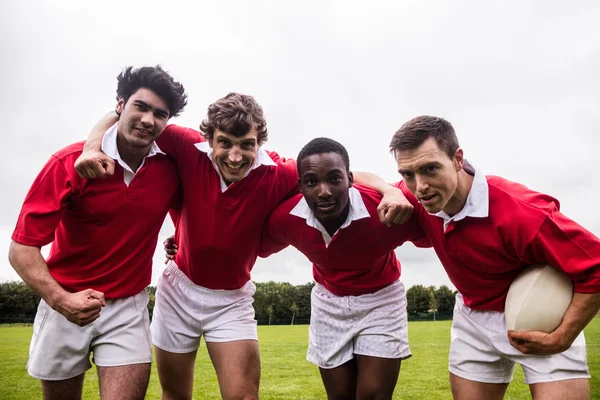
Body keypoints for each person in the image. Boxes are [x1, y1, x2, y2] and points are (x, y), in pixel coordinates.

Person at [74, 95, 414, 400]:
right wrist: (92, 147)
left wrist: (390, 190)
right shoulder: (186, 146)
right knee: (175, 393)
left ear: (259, 143)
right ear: (209, 140)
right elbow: (127, 117)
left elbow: (341, 173)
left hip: (232, 299)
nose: (236, 157)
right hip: (179, 290)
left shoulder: (279, 173)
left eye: (246, 145)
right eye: (225, 143)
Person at [387, 115, 600, 400]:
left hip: (543, 316)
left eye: (430, 169)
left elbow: (596, 264)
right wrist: (388, 190)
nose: (420, 186)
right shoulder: (416, 197)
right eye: (408, 174)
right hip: (473, 319)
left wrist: (563, 336)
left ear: (458, 158)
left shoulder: (522, 211)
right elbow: (363, 182)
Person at [8, 65, 187, 400]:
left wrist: (182, 238)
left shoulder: (170, 168)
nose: (149, 119)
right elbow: (21, 249)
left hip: (127, 307)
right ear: (120, 105)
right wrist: (61, 300)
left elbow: (198, 204)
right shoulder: (69, 162)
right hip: (63, 300)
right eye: (141, 106)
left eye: (160, 114)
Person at [257, 137, 430, 399]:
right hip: (329, 301)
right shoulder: (285, 219)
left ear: (349, 179)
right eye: (312, 181)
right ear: (300, 186)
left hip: (380, 300)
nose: (324, 191)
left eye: (334, 179)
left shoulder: (389, 209)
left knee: (373, 395)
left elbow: (443, 225)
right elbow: (247, 240)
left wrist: (389, 190)